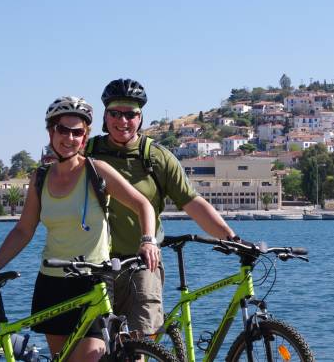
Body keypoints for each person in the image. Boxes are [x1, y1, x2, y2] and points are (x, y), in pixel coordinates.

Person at [0, 96, 160, 362]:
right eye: (63, 130)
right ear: (51, 132)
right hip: (52, 282)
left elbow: (143, 204)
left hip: (93, 281)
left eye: (77, 132)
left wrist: (148, 240)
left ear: (85, 138)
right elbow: (23, 231)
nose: (69, 138)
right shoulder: (40, 178)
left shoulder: (97, 171)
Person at [85, 78, 238, 336]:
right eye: (115, 113)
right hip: (94, 265)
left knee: (141, 343)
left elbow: (193, 204)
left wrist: (231, 238)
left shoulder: (156, 157)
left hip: (142, 263)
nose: (123, 121)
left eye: (130, 114)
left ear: (141, 117)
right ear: (105, 115)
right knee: (95, 348)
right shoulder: (88, 153)